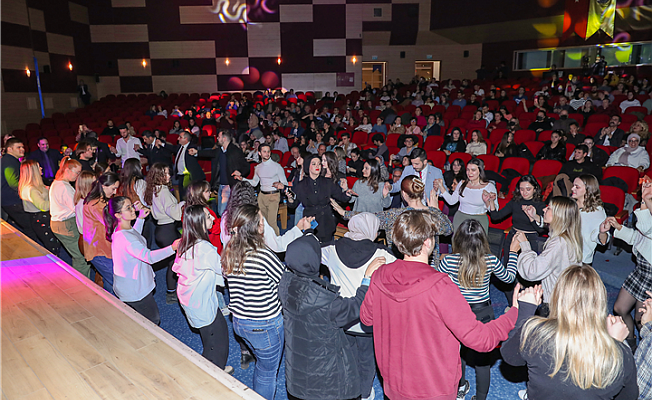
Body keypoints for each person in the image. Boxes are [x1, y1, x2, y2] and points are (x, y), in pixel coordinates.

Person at [360, 209, 529, 400]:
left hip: (393, 384)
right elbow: (481, 340)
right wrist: (514, 312)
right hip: (434, 389)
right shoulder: (440, 285)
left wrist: (367, 280)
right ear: (427, 242)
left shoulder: (380, 274)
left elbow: (366, 319)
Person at [501, 265, 638, 400]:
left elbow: (510, 357)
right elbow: (629, 396)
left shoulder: (536, 334)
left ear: (558, 297)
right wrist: (614, 344)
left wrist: (525, 311)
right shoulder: (623, 355)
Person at [280, 233, 384, 400]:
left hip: (297, 374)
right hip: (327, 378)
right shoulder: (327, 303)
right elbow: (356, 306)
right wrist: (367, 277)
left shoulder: (285, 284)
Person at [438, 219, 518, 400]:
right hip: (484, 313)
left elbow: (437, 283)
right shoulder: (490, 260)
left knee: (457, 353)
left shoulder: (449, 261)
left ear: (457, 239)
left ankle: (460, 388)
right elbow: (509, 278)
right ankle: (481, 397)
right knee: (483, 360)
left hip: (457, 313)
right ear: (483, 240)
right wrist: (513, 252)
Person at [320, 213, 396, 400]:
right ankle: (365, 393)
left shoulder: (330, 248)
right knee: (367, 359)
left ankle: (348, 390)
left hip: (341, 317)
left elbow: (306, 256)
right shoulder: (383, 253)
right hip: (368, 320)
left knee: (345, 357)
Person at [221, 204, 285, 400]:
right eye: (261, 220)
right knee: (267, 373)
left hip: (240, 322)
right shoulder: (263, 254)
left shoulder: (229, 250)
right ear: (257, 227)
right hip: (265, 325)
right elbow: (283, 282)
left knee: (262, 363)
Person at [333, 175, 452, 265]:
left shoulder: (395, 215)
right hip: (428, 269)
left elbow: (368, 217)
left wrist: (344, 212)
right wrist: (436, 210)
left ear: (404, 194)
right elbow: (448, 230)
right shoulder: (433, 214)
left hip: (400, 268)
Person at [173, 205, 230, 372]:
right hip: (201, 304)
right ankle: (213, 374)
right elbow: (225, 270)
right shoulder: (203, 249)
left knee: (212, 335)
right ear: (198, 223)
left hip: (192, 301)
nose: (213, 218)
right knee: (217, 345)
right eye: (208, 217)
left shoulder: (185, 241)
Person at [106, 196, 179, 325]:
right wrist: (172, 248)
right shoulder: (125, 238)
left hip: (131, 286)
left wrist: (140, 219)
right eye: (128, 208)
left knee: (139, 321)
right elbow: (148, 257)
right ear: (118, 215)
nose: (133, 210)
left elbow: (135, 237)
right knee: (152, 321)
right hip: (135, 290)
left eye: (131, 206)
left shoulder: (123, 231)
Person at [513, 196, 583, 312]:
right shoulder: (568, 237)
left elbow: (532, 271)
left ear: (558, 215)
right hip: (565, 300)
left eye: (549, 208)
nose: (544, 210)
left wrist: (525, 246)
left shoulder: (558, 243)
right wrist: (534, 217)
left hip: (554, 305)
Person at [606, 179, 652, 352]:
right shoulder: (647, 214)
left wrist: (646, 200)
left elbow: (646, 228)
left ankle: (645, 353)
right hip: (640, 271)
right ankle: (631, 343)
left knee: (643, 322)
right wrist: (619, 227)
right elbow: (637, 238)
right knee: (619, 308)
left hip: (650, 277)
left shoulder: (647, 217)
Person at [144, 162, 185, 304]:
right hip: (167, 229)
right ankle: (171, 293)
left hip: (161, 230)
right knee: (173, 262)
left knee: (171, 260)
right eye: (165, 174)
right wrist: (182, 204)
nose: (168, 176)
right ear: (158, 176)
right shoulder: (164, 191)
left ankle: (172, 290)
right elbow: (174, 213)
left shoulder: (153, 189)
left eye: (168, 173)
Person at [287, 155, 352, 242]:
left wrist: (346, 192)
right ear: (308, 166)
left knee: (326, 249)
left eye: (319, 164)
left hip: (326, 220)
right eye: (314, 164)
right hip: (310, 221)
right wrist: (290, 199)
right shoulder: (301, 185)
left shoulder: (328, 182)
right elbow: (293, 204)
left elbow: (341, 197)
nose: (317, 166)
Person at [190, 129, 249, 216]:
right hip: (220, 185)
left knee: (223, 212)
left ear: (224, 139)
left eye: (219, 137)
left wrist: (240, 172)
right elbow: (209, 152)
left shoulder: (235, 151)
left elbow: (246, 166)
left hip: (229, 186)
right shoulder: (220, 151)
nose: (217, 138)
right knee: (221, 212)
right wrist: (197, 152)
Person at [232, 143, 288, 235]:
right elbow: (254, 183)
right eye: (264, 151)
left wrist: (280, 184)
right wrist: (242, 179)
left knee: (272, 222)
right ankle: (265, 243)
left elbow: (285, 183)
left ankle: (278, 244)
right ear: (259, 153)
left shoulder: (277, 167)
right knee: (263, 222)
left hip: (273, 195)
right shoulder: (258, 167)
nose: (267, 153)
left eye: (268, 151)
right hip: (262, 196)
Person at [50, 158, 90, 277]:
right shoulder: (64, 187)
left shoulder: (57, 182)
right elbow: (77, 208)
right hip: (66, 225)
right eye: (77, 172)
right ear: (67, 170)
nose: (78, 176)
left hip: (59, 224)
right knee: (81, 257)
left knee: (77, 255)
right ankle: (83, 285)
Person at [437, 158, 498, 233]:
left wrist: (489, 201)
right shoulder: (462, 184)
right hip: (460, 218)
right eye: (468, 170)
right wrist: (441, 187)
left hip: (479, 219)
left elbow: (495, 210)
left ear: (480, 171)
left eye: (473, 170)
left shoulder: (489, 186)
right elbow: (451, 201)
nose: (469, 173)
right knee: (458, 243)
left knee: (478, 244)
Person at [83, 172, 120, 294]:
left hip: (101, 248)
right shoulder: (96, 204)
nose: (115, 192)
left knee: (110, 282)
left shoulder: (98, 200)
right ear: (104, 186)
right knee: (117, 282)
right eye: (113, 188)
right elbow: (112, 223)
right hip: (99, 250)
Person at [18, 159, 61, 254]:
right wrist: (56, 198)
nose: (41, 168)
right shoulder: (31, 189)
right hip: (41, 220)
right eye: (38, 167)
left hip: (39, 219)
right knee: (53, 247)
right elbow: (43, 206)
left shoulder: (32, 186)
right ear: (33, 171)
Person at [1, 138, 38, 242]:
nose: (22, 149)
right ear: (9, 149)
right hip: (13, 201)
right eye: (18, 147)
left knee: (29, 226)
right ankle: (33, 251)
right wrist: (30, 192)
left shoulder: (10, 160)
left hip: (11, 201)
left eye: (22, 147)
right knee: (30, 227)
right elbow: (14, 184)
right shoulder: (9, 162)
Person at [568, 174, 608, 265]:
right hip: (563, 253)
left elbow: (602, 240)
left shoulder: (596, 212)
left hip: (581, 258)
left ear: (588, 190)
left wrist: (602, 232)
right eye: (573, 185)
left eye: (577, 187)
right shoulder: (570, 204)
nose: (572, 189)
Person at [74, 171, 96, 236]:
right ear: (88, 185)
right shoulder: (84, 203)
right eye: (94, 182)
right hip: (89, 236)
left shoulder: (81, 200)